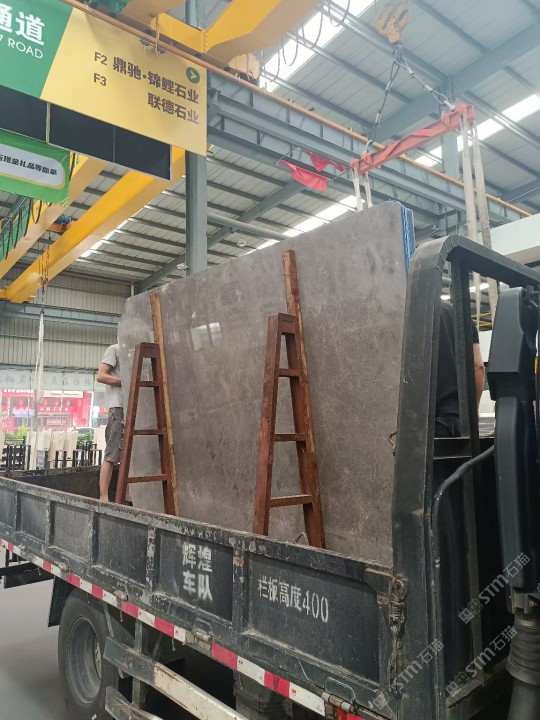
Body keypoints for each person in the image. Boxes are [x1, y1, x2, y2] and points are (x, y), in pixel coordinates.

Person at [435, 300, 485, 438]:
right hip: (458, 415)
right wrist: (473, 411)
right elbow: (478, 366)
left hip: (422, 416)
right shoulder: (461, 316)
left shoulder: (415, 312)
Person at [97, 343, 126, 502]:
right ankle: (103, 497)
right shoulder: (115, 349)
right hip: (118, 407)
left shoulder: (131, 352)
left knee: (130, 455)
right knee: (112, 453)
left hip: (131, 406)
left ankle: (128, 497)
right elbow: (101, 375)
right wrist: (125, 382)